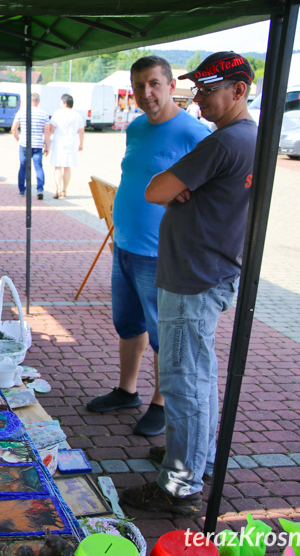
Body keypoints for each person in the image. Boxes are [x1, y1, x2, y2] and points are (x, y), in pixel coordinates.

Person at [121, 52, 257, 514]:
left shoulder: (223, 142)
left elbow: (155, 189)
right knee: (197, 378)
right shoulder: (241, 137)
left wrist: (172, 181)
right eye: (195, 88)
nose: (198, 98)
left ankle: (179, 484)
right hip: (202, 273)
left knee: (184, 383)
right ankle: (191, 457)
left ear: (238, 90)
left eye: (208, 89)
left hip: (193, 277)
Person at [85, 56, 210, 438]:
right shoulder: (136, 127)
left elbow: (206, 196)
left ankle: (160, 402)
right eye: (139, 85)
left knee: (161, 335)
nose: (146, 93)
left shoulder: (194, 133)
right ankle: (127, 390)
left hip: (160, 253)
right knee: (128, 325)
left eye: (154, 83)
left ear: (172, 85)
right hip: (124, 244)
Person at [11, 92, 50, 199]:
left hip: (24, 143)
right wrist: (47, 146)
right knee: (38, 167)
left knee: (23, 166)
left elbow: (13, 128)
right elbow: (47, 132)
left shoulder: (22, 112)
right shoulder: (44, 114)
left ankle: (22, 190)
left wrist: (18, 138)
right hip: (37, 144)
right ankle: (40, 189)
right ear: (38, 101)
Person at [47, 93, 85, 199]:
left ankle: (58, 189)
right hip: (71, 143)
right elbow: (81, 131)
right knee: (67, 168)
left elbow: (51, 128)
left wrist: (47, 141)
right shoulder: (77, 115)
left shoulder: (58, 113)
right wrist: (81, 143)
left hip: (59, 143)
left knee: (58, 167)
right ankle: (64, 190)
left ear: (64, 103)